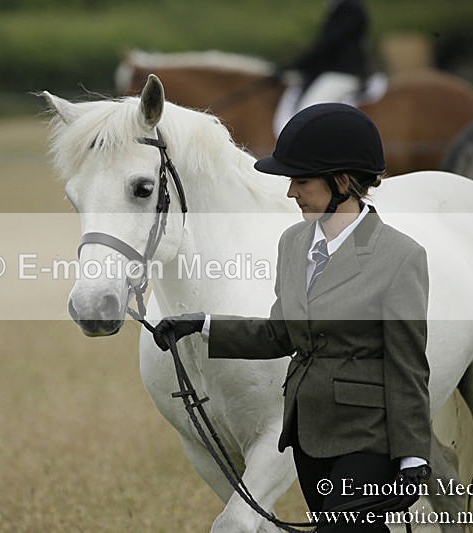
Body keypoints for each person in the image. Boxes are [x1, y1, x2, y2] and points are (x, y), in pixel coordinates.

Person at [153, 103, 432, 532]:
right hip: (307, 435)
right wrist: (202, 325)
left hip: (369, 439)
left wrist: (414, 455)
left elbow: (408, 363)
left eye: (300, 181)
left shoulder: (400, 257)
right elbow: (280, 334)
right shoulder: (294, 243)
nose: (290, 193)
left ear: (342, 182)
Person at [273, 0, 371, 136]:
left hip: (342, 74)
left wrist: (296, 65)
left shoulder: (349, 8)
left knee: (308, 115)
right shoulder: (339, 7)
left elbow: (328, 44)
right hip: (332, 72)